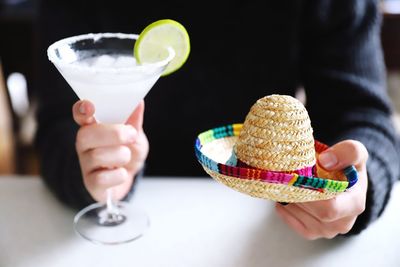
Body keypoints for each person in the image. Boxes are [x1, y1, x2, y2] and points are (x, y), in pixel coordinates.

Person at [34, 0, 400, 240]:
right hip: (140, 227)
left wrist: (356, 187)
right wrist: (91, 172)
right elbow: (55, 125)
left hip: (265, 224)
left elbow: (363, 115)